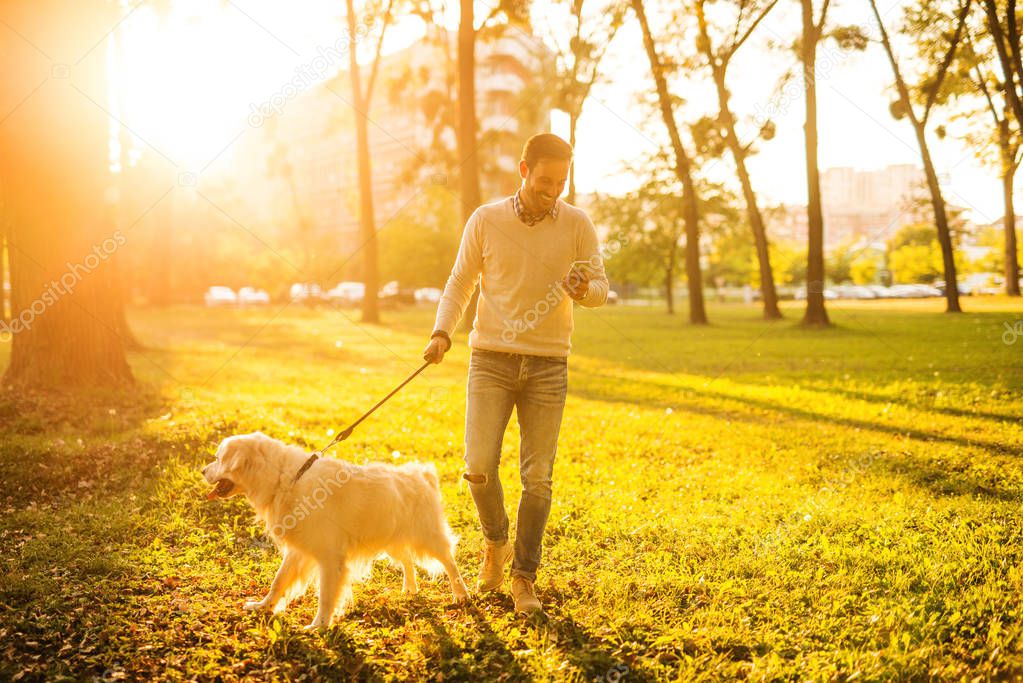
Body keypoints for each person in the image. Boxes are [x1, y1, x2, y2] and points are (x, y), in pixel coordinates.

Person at [422, 132, 609, 614]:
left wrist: (584, 288)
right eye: (545, 181)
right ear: (523, 171)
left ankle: (524, 576)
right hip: (491, 359)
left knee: (538, 478)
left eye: (561, 183)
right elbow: (460, 281)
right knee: (478, 468)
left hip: (548, 364)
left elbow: (601, 290)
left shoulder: (576, 224)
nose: (552, 192)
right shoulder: (485, 220)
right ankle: (495, 543)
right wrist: (442, 332)